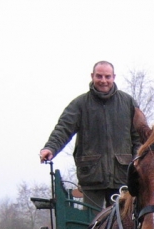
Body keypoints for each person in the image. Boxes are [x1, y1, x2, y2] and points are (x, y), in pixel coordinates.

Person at [39, 60, 145, 208]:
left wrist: (137, 163)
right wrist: (50, 148)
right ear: (92, 76)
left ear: (114, 77)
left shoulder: (128, 103)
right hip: (91, 176)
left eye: (107, 77)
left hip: (123, 176)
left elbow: (139, 137)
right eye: (99, 76)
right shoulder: (80, 104)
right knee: (91, 225)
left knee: (123, 225)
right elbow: (63, 129)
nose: (103, 81)